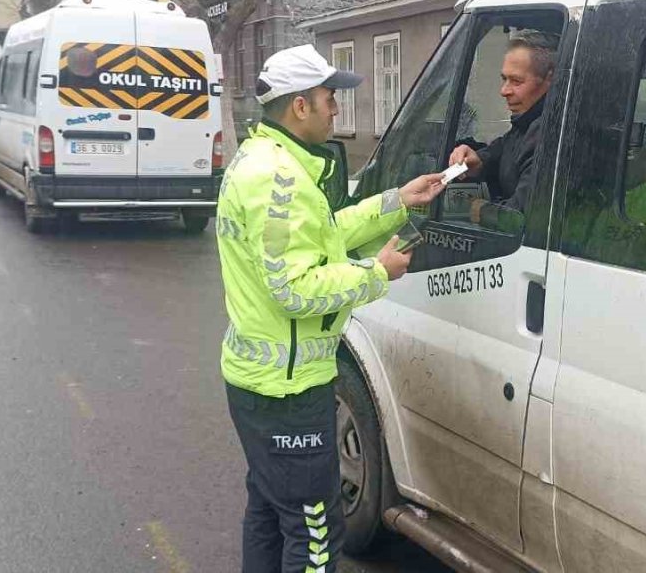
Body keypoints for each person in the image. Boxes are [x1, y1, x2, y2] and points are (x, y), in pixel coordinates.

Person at [216, 44, 446, 573]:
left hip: (260, 382)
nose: (336, 109)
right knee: (315, 531)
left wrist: (396, 202)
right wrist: (376, 273)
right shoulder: (280, 181)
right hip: (288, 392)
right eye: (329, 98)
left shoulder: (265, 160)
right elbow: (295, 289)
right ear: (301, 106)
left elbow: (321, 236)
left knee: (269, 510)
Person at [446, 29, 557, 229]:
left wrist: (478, 209)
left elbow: (518, 218)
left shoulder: (550, 134)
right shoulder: (526, 124)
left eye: (516, 81)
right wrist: (478, 160)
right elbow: (503, 148)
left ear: (550, 79)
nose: (503, 91)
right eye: (504, 79)